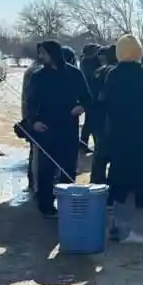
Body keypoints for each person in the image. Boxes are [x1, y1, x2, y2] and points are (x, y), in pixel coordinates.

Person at [101, 33, 143, 244]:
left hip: (117, 134)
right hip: (140, 134)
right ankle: (125, 231)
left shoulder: (112, 74)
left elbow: (105, 103)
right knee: (133, 180)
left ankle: (116, 226)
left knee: (118, 178)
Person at [24, 40, 92, 218]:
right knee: (46, 169)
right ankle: (46, 206)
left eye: (44, 53)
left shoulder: (74, 74)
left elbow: (87, 98)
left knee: (68, 167)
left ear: (54, 54)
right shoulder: (39, 76)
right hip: (46, 128)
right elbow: (30, 103)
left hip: (69, 126)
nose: (41, 57)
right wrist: (34, 122)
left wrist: (81, 107)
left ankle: (67, 202)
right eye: (39, 53)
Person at [88, 44, 117, 185]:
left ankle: (96, 185)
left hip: (97, 117)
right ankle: (112, 188)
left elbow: (91, 95)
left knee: (99, 154)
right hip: (112, 118)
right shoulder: (117, 72)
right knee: (115, 155)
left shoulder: (98, 71)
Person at [21, 54, 43, 192]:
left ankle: (33, 183)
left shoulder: (32, 70)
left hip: (30, 116)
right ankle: (36, 185)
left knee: (34, 151)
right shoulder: (36, 72)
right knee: (37, 152)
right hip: (35, 118)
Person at [78, 43, 101, 152]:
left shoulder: (84, 62)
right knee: (93, 121)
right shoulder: (91, 62)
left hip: (88, 94)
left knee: (89, 121)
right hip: (93, 94)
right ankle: (96, 144)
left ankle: (84, 142)